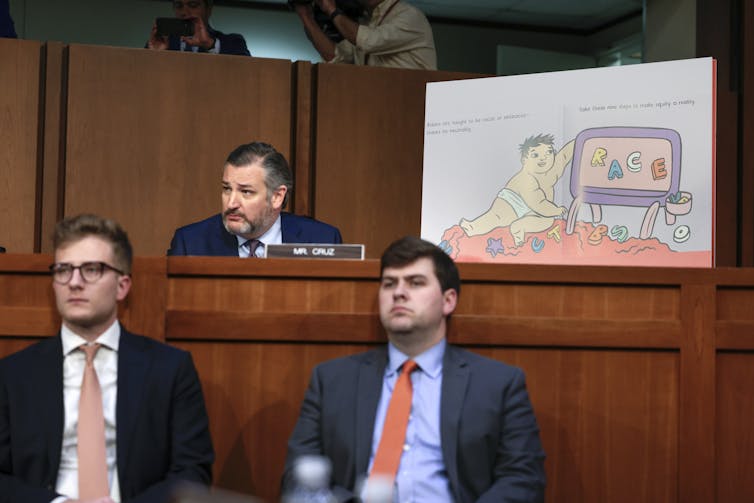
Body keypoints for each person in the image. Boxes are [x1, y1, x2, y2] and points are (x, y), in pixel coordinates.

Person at [283, 236, 545, 502]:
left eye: (415, 282)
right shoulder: (332, 381)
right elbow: (297, 474)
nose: (398, 292)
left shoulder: (499, 384)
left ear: (448, 301)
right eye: (389, 283)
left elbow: (523, 479)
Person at [0, 214, 214, 503]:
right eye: (63, 270)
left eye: (91, 269)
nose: (74, 282)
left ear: (122, 286)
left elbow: (193, 472)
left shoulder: (170, 369)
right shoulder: (14, 374)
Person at [168, 141, 342, 257]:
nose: (231, 203)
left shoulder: (323, 239)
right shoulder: (190, 244)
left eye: (246, 192)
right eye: (227, 189)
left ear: (277, 197)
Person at [460, 134, 575, 247]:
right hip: (513, 202)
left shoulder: (553, 171)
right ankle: (473, 227)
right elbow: (538, 203)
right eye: (535, 155)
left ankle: (520, 227)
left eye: (548, 152)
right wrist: (555, 210)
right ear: (524, 160)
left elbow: (564, 155)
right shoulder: (527, 178)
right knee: (496, 217)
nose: (543, 158)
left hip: (536, 209)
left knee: (547, 221)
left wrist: (578, 142)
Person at [293, 0, 437, 70]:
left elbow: (370, 41)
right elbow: (335, 56)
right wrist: (305, 16)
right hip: (380, 106)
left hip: (412, 108)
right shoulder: (370, 22)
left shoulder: (409, 15)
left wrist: (330, 8)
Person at [147, 0, 250, 56]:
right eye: (179, 5)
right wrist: (156, 56)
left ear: (208, 9)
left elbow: (249, 73)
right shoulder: (160, 43)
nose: (184, 12)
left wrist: (211, 45)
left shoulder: (234, 42)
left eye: (193, 5)